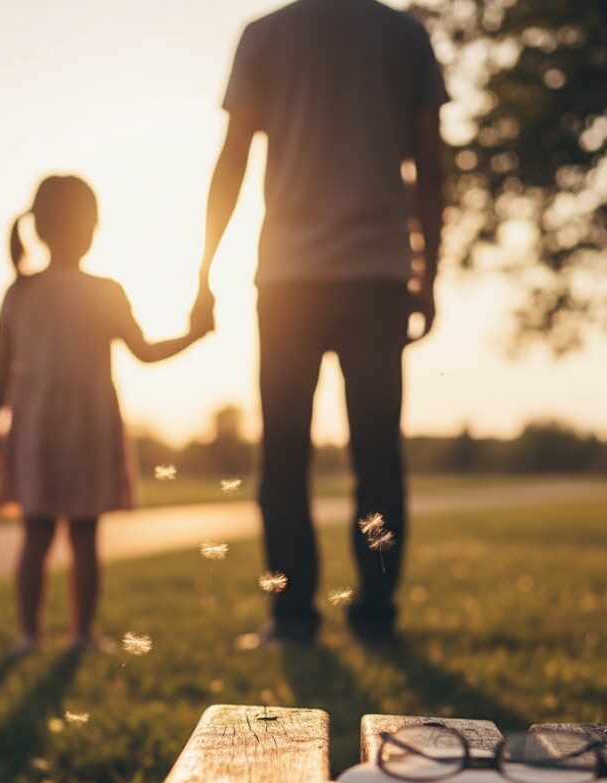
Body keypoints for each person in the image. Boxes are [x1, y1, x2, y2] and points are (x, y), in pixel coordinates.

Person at [192, 0, 448, 645]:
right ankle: (375, 616)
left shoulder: (265, 36)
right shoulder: (404, 35)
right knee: (376, 456)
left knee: (283, 457)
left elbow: (232, 158)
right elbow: (430, 163)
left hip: (289, 278)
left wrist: (204, 270)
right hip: (377, 275)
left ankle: (291, 618)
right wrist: (428, 274)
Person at [0, 174, 213, 653]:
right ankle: (83, 635)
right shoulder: (103, 291)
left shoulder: (19, 292)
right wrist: (194, 335)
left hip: (34, 428)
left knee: (36, 533)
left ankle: (29, 636)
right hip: (88, 427)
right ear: (90, 227)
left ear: (40, 227)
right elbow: (146, 352)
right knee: (84, 535)